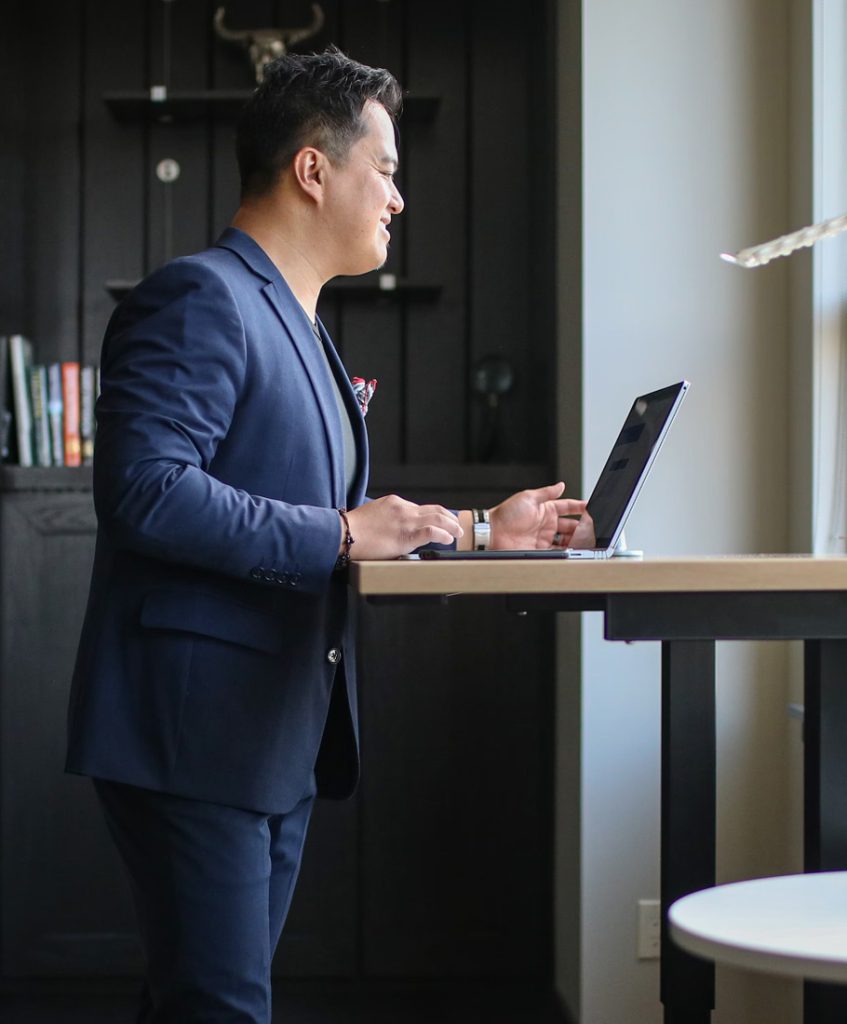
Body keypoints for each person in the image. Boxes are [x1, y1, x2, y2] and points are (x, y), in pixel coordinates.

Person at [65, 47, 584, 1024]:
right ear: (313, 169)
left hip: (272, 732)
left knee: (194, 1003)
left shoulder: (300, 325)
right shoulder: (201, 297)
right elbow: (143, 491)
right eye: (383, 169)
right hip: (195, 732)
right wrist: (344, 532)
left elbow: (338, 518)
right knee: (219, 1008)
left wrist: (481, 530)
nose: (397, 197)